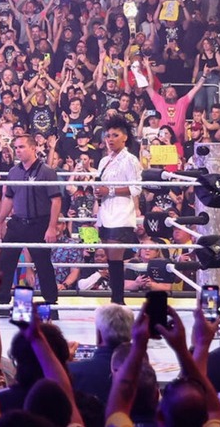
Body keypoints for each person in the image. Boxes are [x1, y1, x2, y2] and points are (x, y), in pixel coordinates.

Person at [0, 134, 61, 307]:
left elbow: (56, 200)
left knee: (43, 263)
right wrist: (0, 222)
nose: (18, 151)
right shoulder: (14, 172)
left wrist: (52, 227)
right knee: (5, 261)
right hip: (17, 222)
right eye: (16, 147)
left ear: (33, 148)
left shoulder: (46, 171)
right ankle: (2, 301)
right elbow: (8, 198)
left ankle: (51, 302)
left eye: (22, 147)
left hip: (39, 223)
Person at [95, 114, 142, 305]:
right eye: (108, 136)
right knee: (110, 261)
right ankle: (115, 300)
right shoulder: (103, 161)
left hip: (122, 215)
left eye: (115, 135)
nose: (110, 139)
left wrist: (110, 190)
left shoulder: (130, 160)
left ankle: (118, 301)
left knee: (115, 261)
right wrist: (99, 193)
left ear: (124, 137)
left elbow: (136, 188)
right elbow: (100, 187)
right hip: (105, 214)